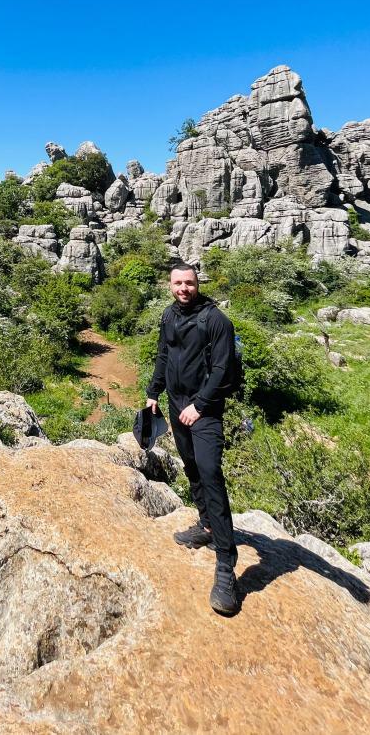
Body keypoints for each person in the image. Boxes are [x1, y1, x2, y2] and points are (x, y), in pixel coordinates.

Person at [145, 262, 240, 615]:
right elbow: (164, 354)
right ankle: (206, 525)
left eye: (189, 283)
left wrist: (199, 406)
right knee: (192, 468)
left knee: (210, 471)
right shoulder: (169, 315)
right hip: (175, 403)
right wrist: (153, 391)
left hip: (205, 408)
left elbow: (223, 369)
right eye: (178, 283)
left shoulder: (216, 320)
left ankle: (227, 567)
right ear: (170, 285)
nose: (183, 288)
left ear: (198, 284)